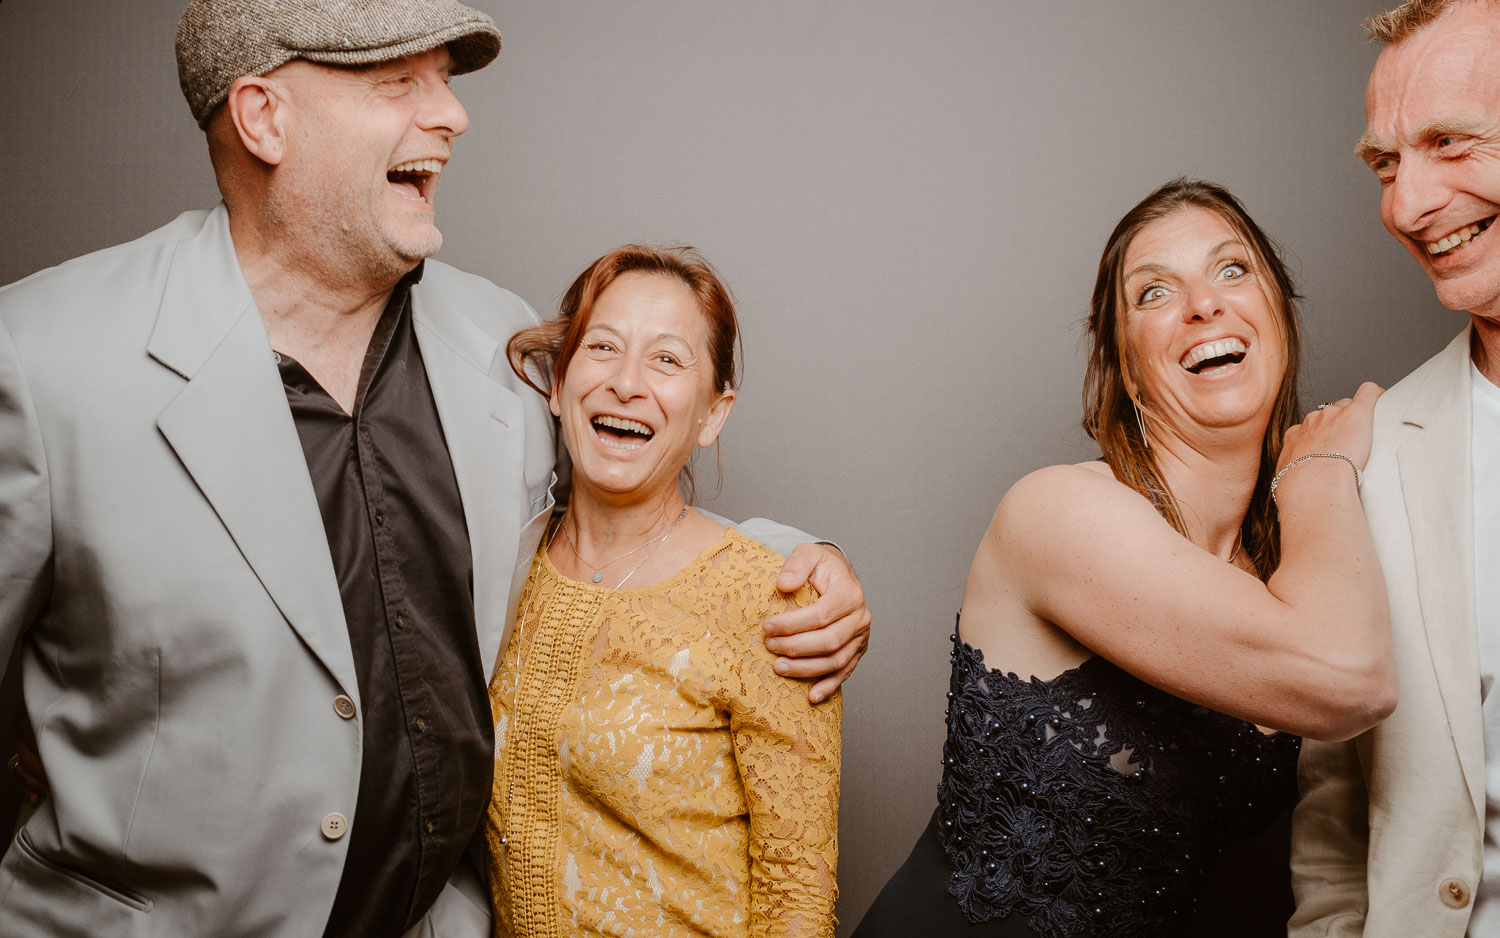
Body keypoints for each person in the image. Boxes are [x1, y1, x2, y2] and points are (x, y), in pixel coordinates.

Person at [0, 1, 868, 934]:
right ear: (264, 118)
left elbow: (620, 496)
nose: (452, 116)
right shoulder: (42, 361)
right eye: (399, 83)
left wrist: (795, 563)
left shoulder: (499, 340)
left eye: (446, 82)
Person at [854, 178, 1395, 937]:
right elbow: (1351, 678)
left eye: (1232, 270)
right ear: (1128, 367)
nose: (1204, 304)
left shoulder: (1287, 576)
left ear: (1279, 315)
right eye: (1153, 293)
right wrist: (1318, 469)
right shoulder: (1060, 512)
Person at [483, 245, 840, 936]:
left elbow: (796, 891)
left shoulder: (772, 602)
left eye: (667, 360)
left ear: (712, 413)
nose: (626, 382)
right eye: (604, 347)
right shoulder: (502, 568)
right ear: (558, 385)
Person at [1289, 2, 1500, 934]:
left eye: (1450, 141)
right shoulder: (1371, 456)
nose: (1405, 206)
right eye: (1386, 162)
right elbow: (1335, 804)